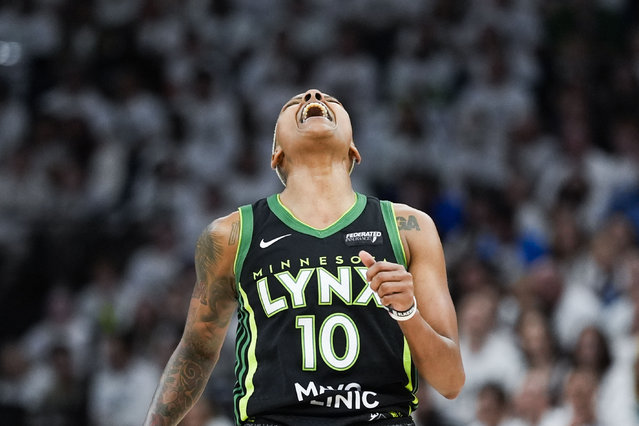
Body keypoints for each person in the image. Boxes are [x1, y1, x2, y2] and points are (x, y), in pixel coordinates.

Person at [144, 88, 465, 425]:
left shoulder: (407, 227)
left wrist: (407, 312)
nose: (314, 96)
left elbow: (451, 381)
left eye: (333, 102)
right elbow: (196, 350)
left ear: (354, 150)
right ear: (276, 154)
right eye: (293, 103)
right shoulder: (230, 235)